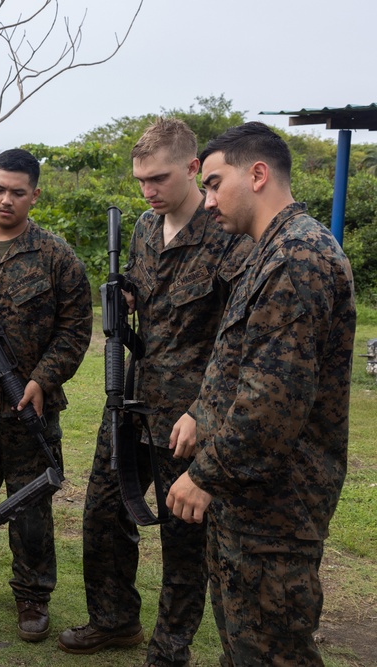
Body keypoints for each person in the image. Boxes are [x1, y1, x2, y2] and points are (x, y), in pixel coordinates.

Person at [57, 119, 252, 664]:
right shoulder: (144, 228)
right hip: (132, 400)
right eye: (141, 180)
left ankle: (171, 647)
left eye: (159, 178)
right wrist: (128, 296)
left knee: (182, 534)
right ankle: (114, 619)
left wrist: (203, 411)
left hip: (189, 415)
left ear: (193, 168)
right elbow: (148, 291)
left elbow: (236, 337)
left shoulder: (228, 234)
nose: (148, 191)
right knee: (102, 512)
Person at [166, 122, 356, 666]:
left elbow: (273, 400)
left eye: (213, 183)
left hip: (275, 506)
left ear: (257, 174)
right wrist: (201, 411)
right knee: (242, 644)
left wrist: (206, 475)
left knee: (271, 651)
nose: (205, 202)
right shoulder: (266, 251)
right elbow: (243, 360)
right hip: (247, 501)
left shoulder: (299, 258)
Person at [0, 148, 92, 641]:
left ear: (35, 195)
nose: (7, 200)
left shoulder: (56, 255)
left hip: (28, 405)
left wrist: (42, 378)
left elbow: (75, 328)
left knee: (30, 506)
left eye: (18, 192)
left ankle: (32, 595)